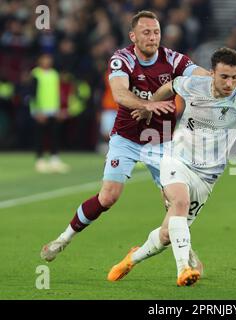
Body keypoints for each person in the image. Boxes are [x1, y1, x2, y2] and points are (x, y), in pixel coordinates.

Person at [40, 11, 209, 271]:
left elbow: (200, 74)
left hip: (161, 142)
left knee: (176, 200)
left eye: (156, 32)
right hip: (127, 138)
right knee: (108, 197)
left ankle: (186, 253)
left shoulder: (173, 59)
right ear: (133, 36)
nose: (153, 37)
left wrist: (219, 80)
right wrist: (149, 104)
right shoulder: (122, 59)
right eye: (146, 32)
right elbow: (119, 94)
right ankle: (63, 239)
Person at [107, 47, 236, 286]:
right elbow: (169, 87)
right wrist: (149, 108)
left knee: (168, 234)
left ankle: (132, 258)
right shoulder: (194, 85)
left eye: (234, 77)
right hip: (176, 158)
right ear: (211, 74)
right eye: (224, 76)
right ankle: (183, 270)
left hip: (207, 176)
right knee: (180, 201)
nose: (230, 83)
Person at [30, 53, 69, 173]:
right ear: (39, 60)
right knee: (40, 136)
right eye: (45, 59)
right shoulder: (35, 74)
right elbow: (32, 94)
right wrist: (36, 111)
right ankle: (40, 160)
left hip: (53, 110)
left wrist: (59, 109)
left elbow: (57, 93)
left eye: (49, 59)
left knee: (54, 135)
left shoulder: (54, 74)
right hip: (40, 110)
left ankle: (54, 159)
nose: (47, 61)